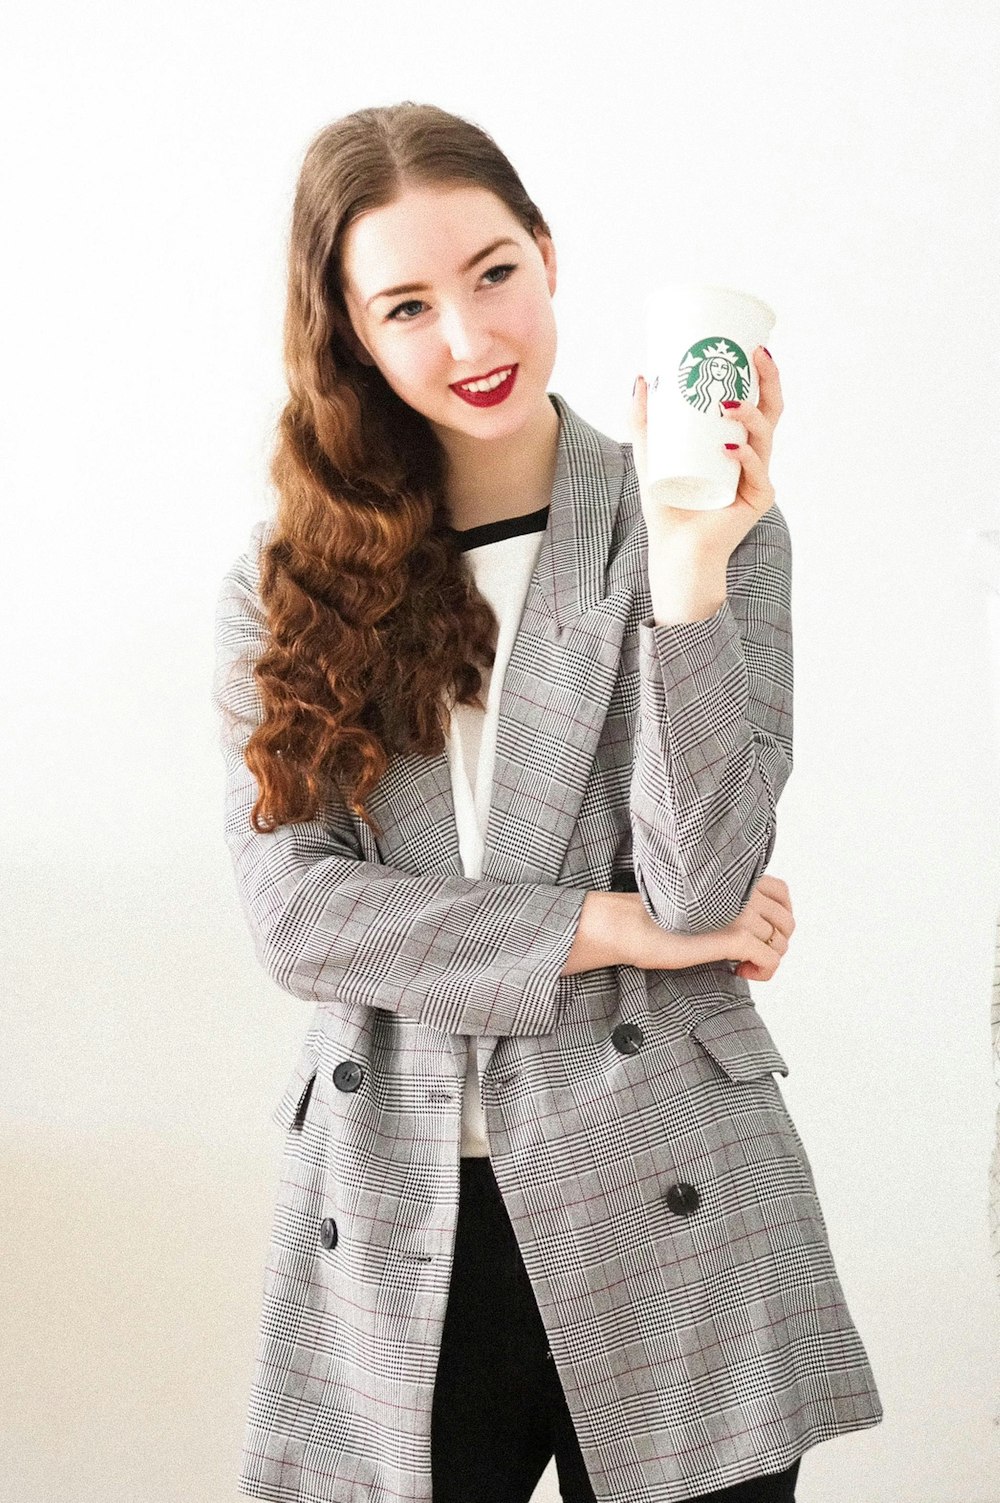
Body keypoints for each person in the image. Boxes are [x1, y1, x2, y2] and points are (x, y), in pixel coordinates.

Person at [212, 100, 882, 1503]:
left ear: (551, 258)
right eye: (408, 304)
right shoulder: (290, 584)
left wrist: (689, 577)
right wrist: (619, 931)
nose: (470, 338)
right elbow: (303, 920)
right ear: (350, 332)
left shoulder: (706, 531)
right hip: (401, 1203)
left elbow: (704, 888)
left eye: (494, 274)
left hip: (667, 1182)